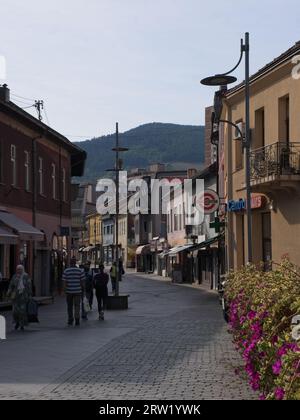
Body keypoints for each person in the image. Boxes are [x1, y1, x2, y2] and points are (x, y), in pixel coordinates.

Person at [7, 265, 32, 331]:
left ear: (23, 269)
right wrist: (8, 293)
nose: (19, 270)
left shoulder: (26, 276)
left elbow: (29, 286)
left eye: (20, 269)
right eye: (18, 269)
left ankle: (22, 324)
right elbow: (11, 285)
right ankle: (17, 322)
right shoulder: (14, 276)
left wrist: (30, 295)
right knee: (15, 311)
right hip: (15, 296)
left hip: (23, 296)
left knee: (22, 311)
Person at [63, 257, 85, 326]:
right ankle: (77, 319)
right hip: (78, 291)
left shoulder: (66, 271)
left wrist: (65, 290)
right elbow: (82, 282)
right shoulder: (80, 271)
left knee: (69, 306)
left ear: (70, 263)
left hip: (69, 291)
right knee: (77, 305)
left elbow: (64, 282)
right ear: (75, 263)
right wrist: (83, 290)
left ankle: (70, 319)